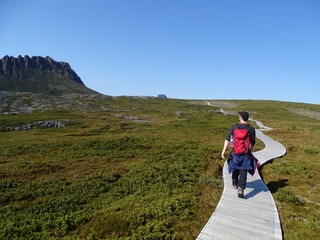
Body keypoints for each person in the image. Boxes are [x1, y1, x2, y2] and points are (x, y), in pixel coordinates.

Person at [221, 111, 256, 198]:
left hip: (235, 151)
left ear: (241, 117)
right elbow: (253, 142)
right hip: (246, 153)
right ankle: (241, 188)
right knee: (244, 170)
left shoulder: (234, 127)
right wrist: (250, 150)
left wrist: (223, 151)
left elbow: (227, 139)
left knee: (235, 167)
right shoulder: (251, 128)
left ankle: (234, 183)